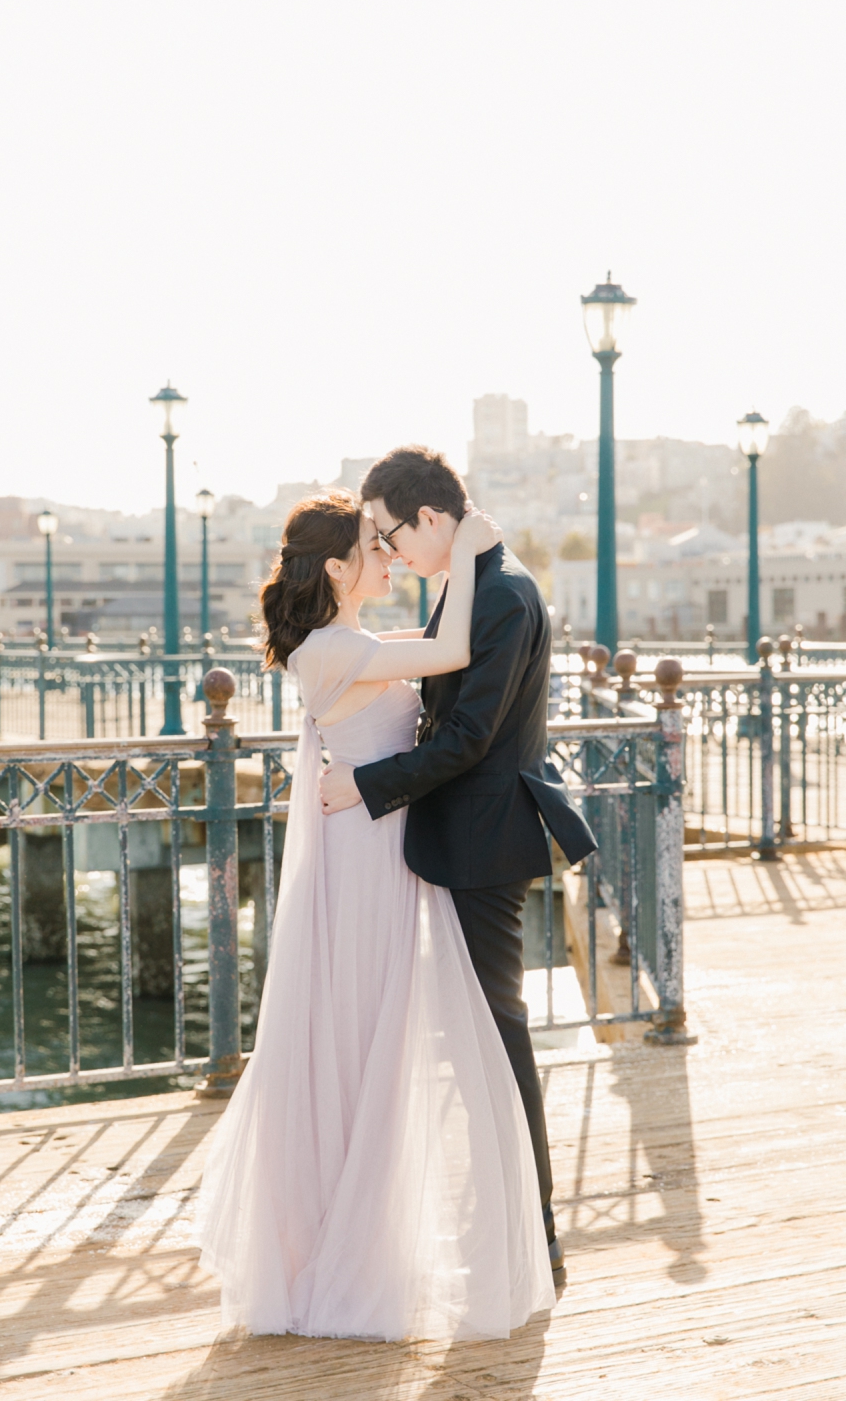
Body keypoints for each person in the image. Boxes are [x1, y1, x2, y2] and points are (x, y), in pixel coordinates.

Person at [194, 489, 556, 1341]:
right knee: (361, 1042)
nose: (387, 556)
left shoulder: (345, 642)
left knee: (370, 1042)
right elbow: (454, 648)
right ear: (336, 569)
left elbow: (440, 657)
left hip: (376, 847)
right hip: (362, 861)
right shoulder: (335, 649)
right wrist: (467, 552)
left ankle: (345, 1234)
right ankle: (342, 1247)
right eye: (372, 545)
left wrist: (460, 559)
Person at [320, 446, 598, 1284]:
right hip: (455, 832)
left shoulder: (503, 593)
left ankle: (533, 1231)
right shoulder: (470, 581)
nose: (391, 552)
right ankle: (507, 1218)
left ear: (431, 519)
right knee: (472, 1031)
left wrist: (363, 785)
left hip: (483, 840)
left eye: (392, 533)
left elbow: (471, 738)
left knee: (496, 1032)